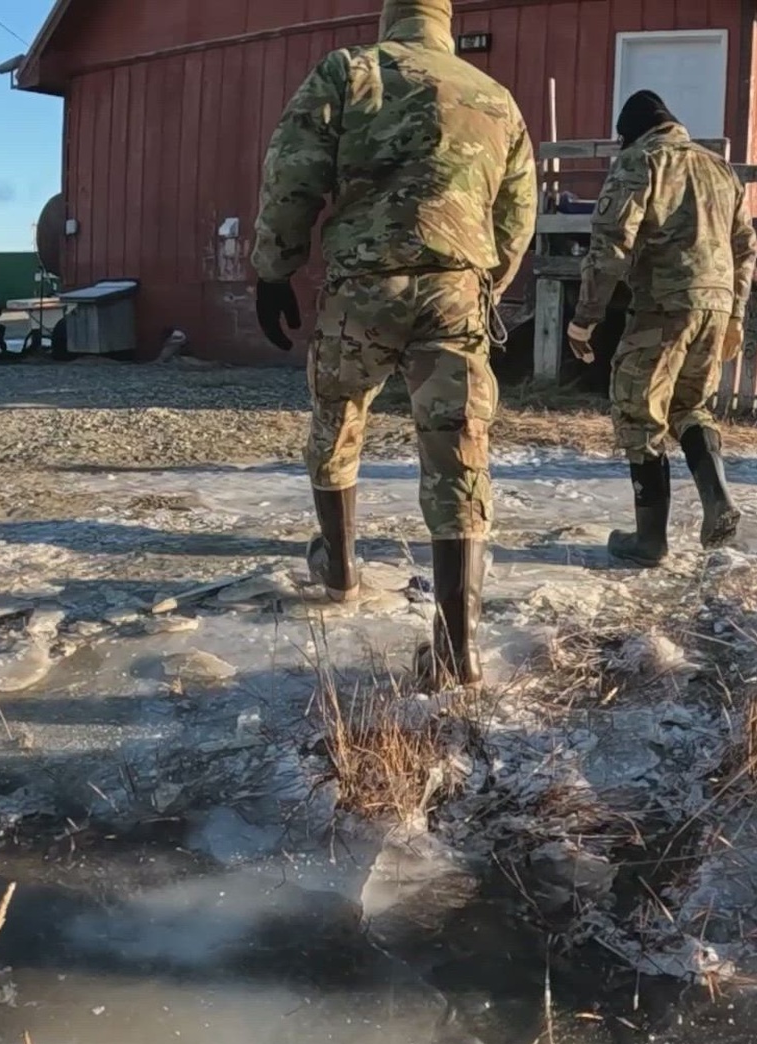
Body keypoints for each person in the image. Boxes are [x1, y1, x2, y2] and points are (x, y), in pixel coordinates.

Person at [251, 0, 536, 688]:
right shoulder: (495, 99)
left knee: (337, 417)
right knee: (458, 449)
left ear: (390, 17)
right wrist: (485, 280)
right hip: (455, 291)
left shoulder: (349, 73)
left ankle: (341, 569)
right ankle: (456, 648)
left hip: (362, 290)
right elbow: (518, 212)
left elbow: (293, 173)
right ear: (443, 18)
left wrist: (272, 268)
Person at [567, 91, 757, 567]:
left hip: (662, 305)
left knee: (639, 413)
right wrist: (734, 313)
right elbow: (745, 246)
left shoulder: (641, 159)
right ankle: (718, 498)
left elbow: (611, 241)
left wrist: (585, 317)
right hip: (715, 305)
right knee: (690, 405)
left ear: (628, 133)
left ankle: (649, 540)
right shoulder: (720, 168)